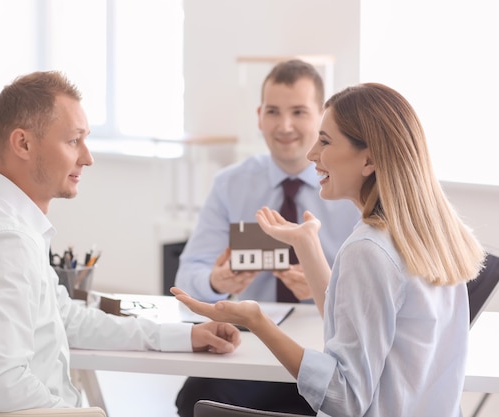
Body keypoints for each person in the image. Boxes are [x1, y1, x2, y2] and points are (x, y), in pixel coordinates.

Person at [0, 71, 241, 412]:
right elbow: (6, 386)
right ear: (23, 144)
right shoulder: (4, 240)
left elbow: (67, 318)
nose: (87, 157)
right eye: (73, 141)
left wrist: (184, 335)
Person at [172, 82, 486, 416]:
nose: (312, 155)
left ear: (368, 160)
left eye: (325, 141)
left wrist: (259, 322)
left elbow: (343, 399)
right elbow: (354, 330)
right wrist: (307, 246)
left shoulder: (368, 249)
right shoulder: (430, 234)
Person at [174, 60, 359, 416]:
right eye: (273, 111)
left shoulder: (350, 189)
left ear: (321, 118)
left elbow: (372, 294)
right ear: (259, 116)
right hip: (254, 348)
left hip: (328, 351)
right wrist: (215, 281)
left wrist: (325, 287)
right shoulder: (230, 184)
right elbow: (187, 278)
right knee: (196, 397)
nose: (285, 126)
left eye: (299, 112)